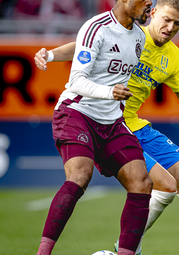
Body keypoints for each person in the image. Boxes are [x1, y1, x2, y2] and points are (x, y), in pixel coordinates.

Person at [34, 1, 179, 254]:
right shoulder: (131, 31)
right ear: (153, 13)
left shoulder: (175, 58)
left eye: (177, 23)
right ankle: (128, 248)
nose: (170, 27)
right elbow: (85, 47)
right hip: (108, 119)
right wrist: (52, 54)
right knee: (162, 184)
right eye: (166, 19)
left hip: (134, 125)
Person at [35, 1, 153, 255]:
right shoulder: (96, 26)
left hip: (111, 121)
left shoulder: (140, 37)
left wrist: (53, 53)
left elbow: (87, 49)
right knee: (80, 175)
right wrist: (109, 92)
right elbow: (76, 80)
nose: (149, 3)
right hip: (78, 113)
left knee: (141, 182)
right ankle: (43, 252)